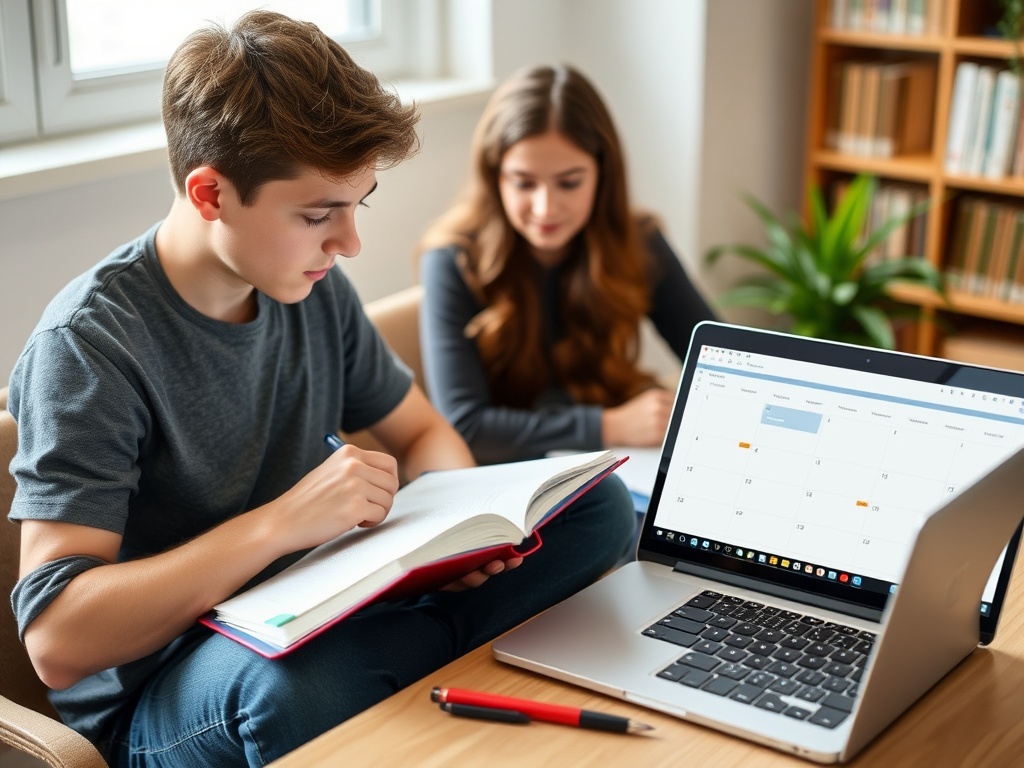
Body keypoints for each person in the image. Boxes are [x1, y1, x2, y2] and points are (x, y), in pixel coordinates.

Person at [6, 14, 635, 766]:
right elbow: (58, 639)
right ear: (210, 194)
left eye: (356, 205)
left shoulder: (311, 287)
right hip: (184, 687)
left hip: (328, 615)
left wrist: (464, 534)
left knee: (598, 508)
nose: (349, 244)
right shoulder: (88, 347)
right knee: (295, 689)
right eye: (316, 215)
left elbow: (423, 433)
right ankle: (409, 670)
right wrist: (281, 524)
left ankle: (400, 668)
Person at [418, 64, 716, 465]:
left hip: (614, 463)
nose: (545, 208)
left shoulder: (639, 241)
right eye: (524, 183)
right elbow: (466, 426)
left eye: (570, 182)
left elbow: (719, 361)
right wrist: (608, 426)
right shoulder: (452, 260)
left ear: (602, 175)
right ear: (494, 177)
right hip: (511, 478)